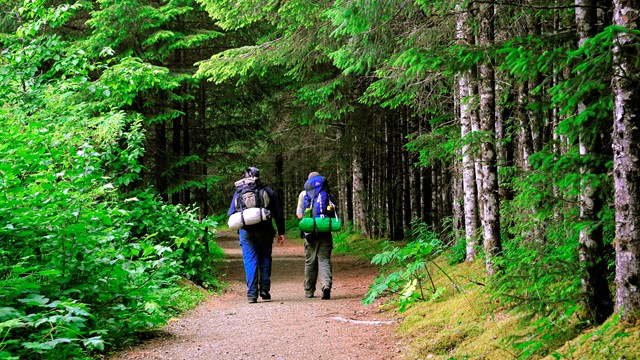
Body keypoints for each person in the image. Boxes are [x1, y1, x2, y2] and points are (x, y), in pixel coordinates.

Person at [228, 166, 285, 303]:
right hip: (265, 230)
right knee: (265, 258)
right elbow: (278, 213)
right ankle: (264, 290)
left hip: (247, 232)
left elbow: (231, 213)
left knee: (250, 260)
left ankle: (252, 295)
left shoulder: (239, 191)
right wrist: (281, 232)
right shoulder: (267, 190)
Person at [296, 171, 334, 300]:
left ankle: (309, 291)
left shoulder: (304, 194)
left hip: (310, 232)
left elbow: (300, 215)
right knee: (324, 259)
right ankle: (326, 286)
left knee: (310, 261)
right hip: (325, 229)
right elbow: (334, 212)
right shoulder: (327, 194)